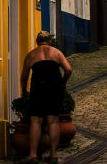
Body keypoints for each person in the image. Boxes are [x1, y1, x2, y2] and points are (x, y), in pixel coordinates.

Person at [20, 31, 73, 164]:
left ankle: (33, 155)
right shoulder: (57, 53)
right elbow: (68, 69)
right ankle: (54, 155)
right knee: (53, 121)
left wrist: (24, 90)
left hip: (38, 89)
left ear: (37, 41)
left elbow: (24, 76)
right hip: (54, 89)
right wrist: (63, 82)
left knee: (35, 121)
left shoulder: (31, 54)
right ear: (49, 41)